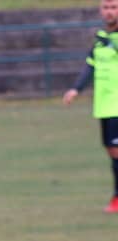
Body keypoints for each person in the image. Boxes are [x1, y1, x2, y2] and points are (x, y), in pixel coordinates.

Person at [63, 0, 118, 213]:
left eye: (114, 7)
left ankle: (117, 198)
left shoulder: (109, 40)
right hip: (104, 105)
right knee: (112, 151)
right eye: (106, 7)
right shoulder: (101, 38)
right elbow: (90, 65)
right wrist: (76, 89)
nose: (109, 12)